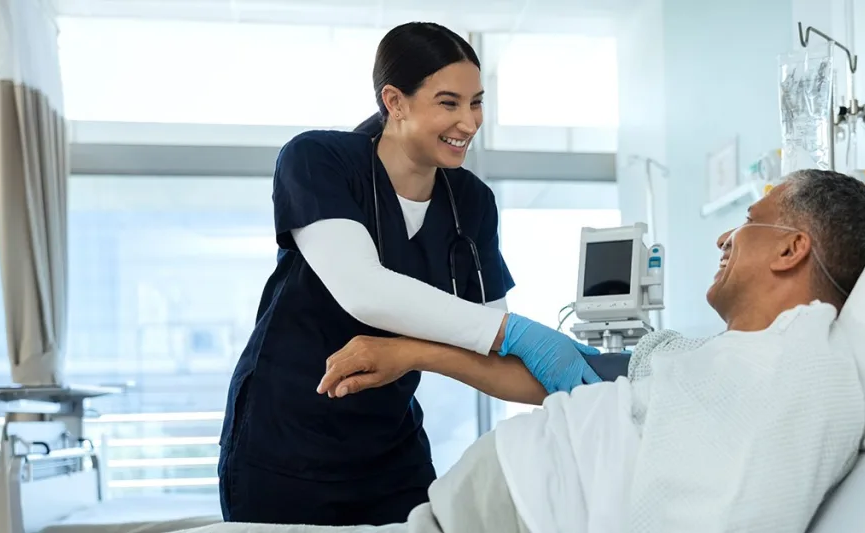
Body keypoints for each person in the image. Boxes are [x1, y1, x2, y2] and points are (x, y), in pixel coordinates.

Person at [314, 169, 865, 533]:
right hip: (487, 500)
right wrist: (413, 353)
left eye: (749, 221)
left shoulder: (807, 369)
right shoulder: (717, 355)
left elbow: (748, 509)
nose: (724, 237)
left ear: (791, 249)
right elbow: (569, 371)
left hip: (521, 512)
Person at [218, 21, 601, 527]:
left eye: (477, 102)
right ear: (394, 101)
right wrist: (513, 333)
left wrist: (414, 353)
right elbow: (364, 291)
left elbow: (499, 361)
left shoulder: (471, 203)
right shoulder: (317, 160)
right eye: (449, 103)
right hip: (286, 443)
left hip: (391, 453)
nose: (468, 122)